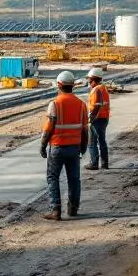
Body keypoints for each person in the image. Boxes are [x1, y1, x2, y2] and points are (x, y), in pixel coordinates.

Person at [40, 71, 89, 220]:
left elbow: (48, 128)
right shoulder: (81, 105)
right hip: (74, 147)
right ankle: (73, 208)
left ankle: (55, 210)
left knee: (52, 177)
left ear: (59, 85)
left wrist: (43, 145)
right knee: (74, 179)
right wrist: (83, 147)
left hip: (57, 147)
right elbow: (85, 130)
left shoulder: (55, 104)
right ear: (72, 85)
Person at [84, 67, 111, 170]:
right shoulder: (103, 88)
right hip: (104, 118)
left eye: (89, 79)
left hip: (96, 119)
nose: (88, 81)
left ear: (93, 79)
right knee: (102, 141)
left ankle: (94, 163)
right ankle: (104, 163)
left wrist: (90, 119)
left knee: (92, 142)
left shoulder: (96, 90)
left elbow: (96, 106)